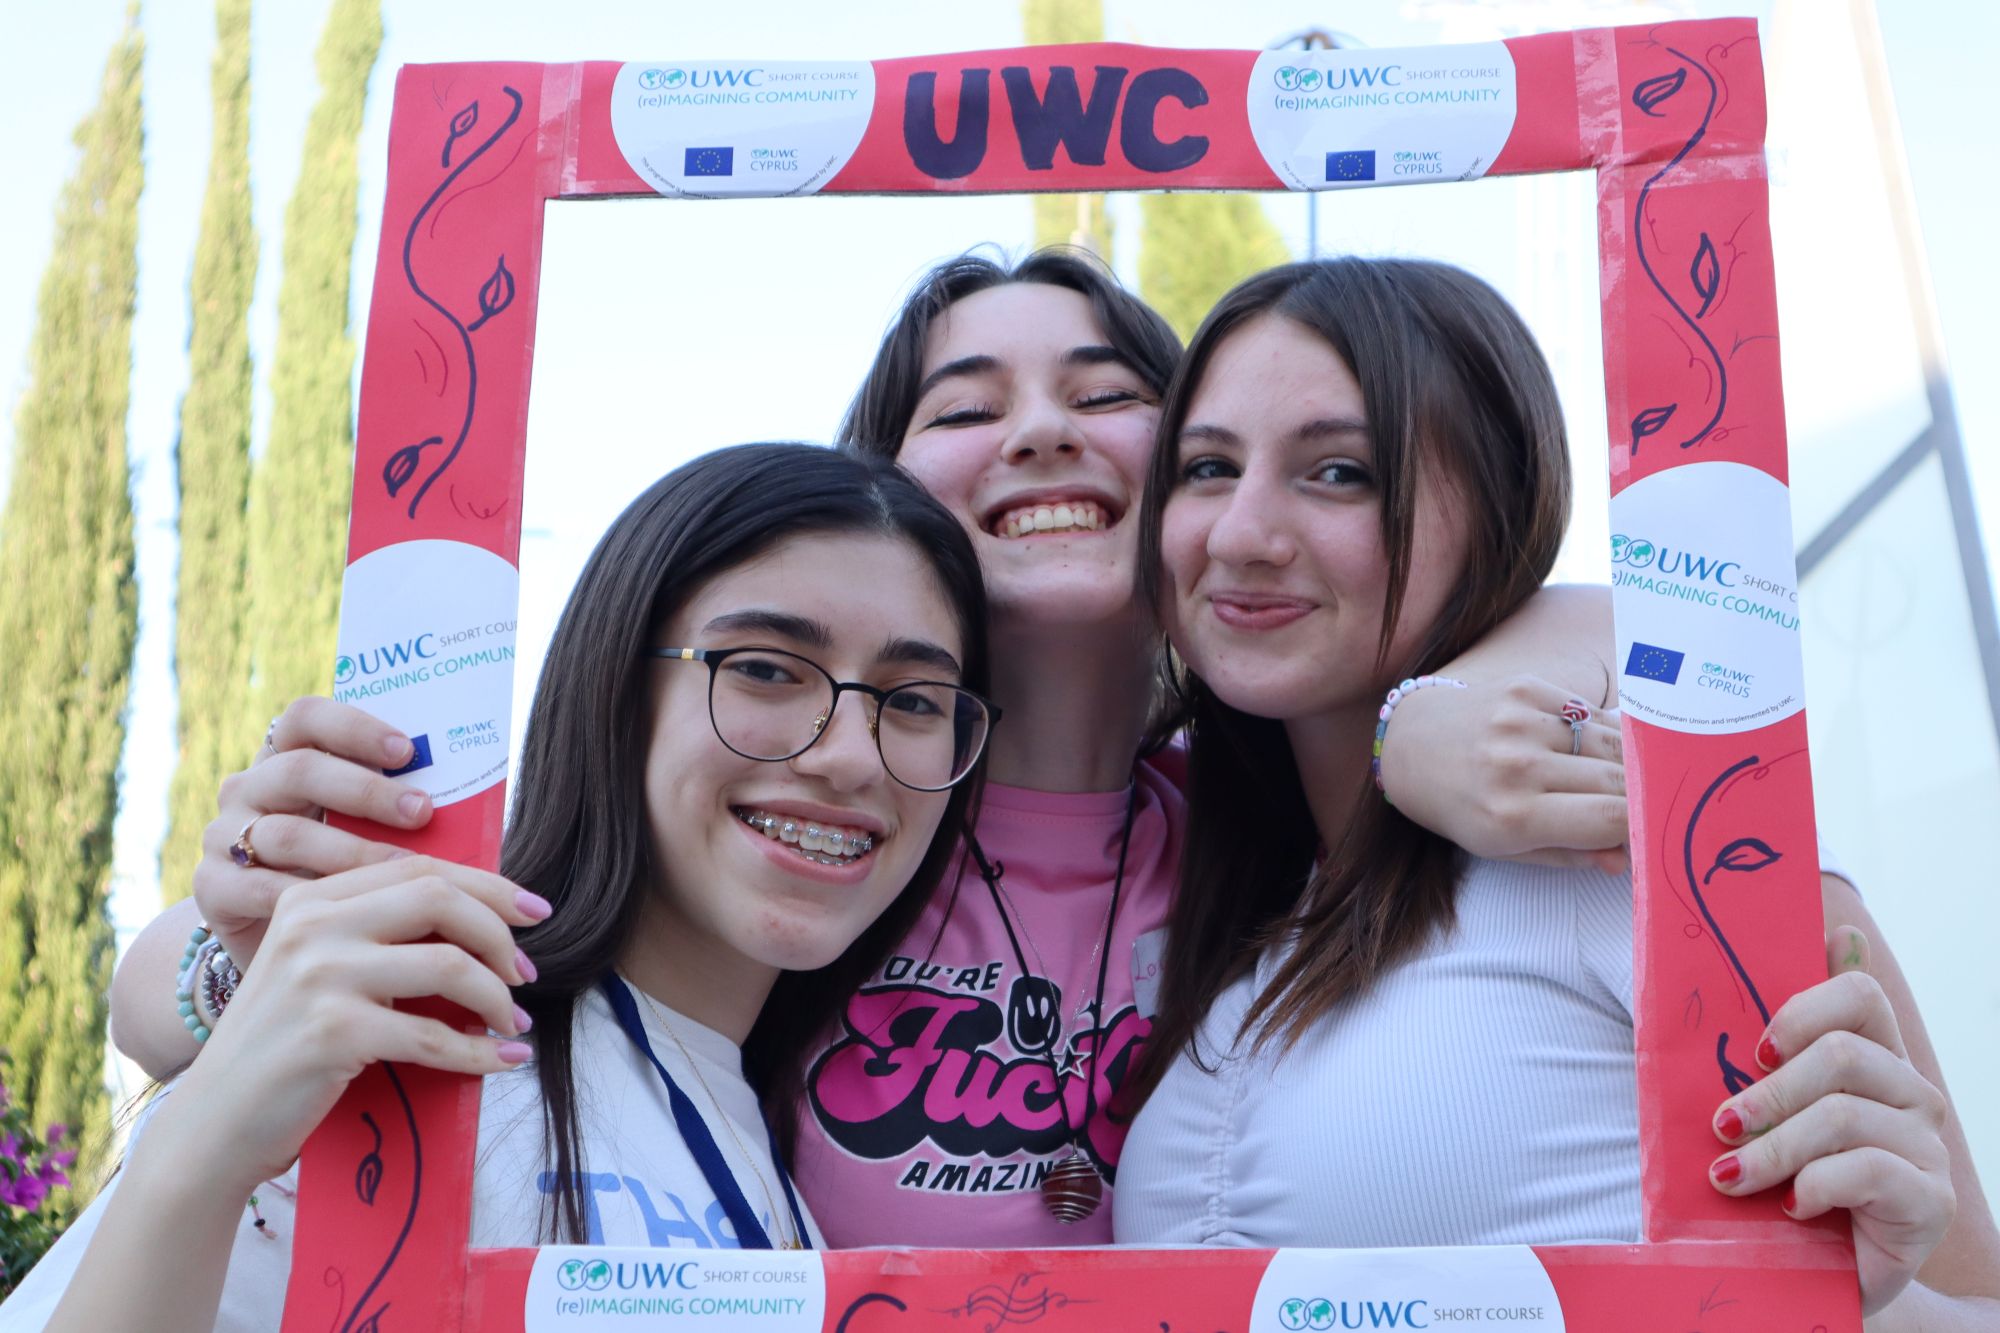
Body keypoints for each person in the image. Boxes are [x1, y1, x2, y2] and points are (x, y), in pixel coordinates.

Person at [106, 250, 1629, 1248]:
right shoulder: (806, 816)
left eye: (1108, 396)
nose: (1038, 433)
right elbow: (207, 996)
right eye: (966, 408)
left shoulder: (1273, 823)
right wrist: (240, 960)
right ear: (875, 493)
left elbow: (1600, 636)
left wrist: (1428, 711)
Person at [1112, 257, 2000, 1327]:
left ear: (1496, 500)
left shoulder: (1660, 849)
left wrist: (1859, 1299)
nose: (1238, 532)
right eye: (1205, 468)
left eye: (1338, 471)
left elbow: (1951, 1289)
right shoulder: (1219, 897)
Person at [1, 444, 997, 1330]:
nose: (848, 757)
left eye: (912, 700)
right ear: (616, 691)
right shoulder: (410, 1048)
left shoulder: (775, 1148)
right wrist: (209, 1125)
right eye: (768, 670)